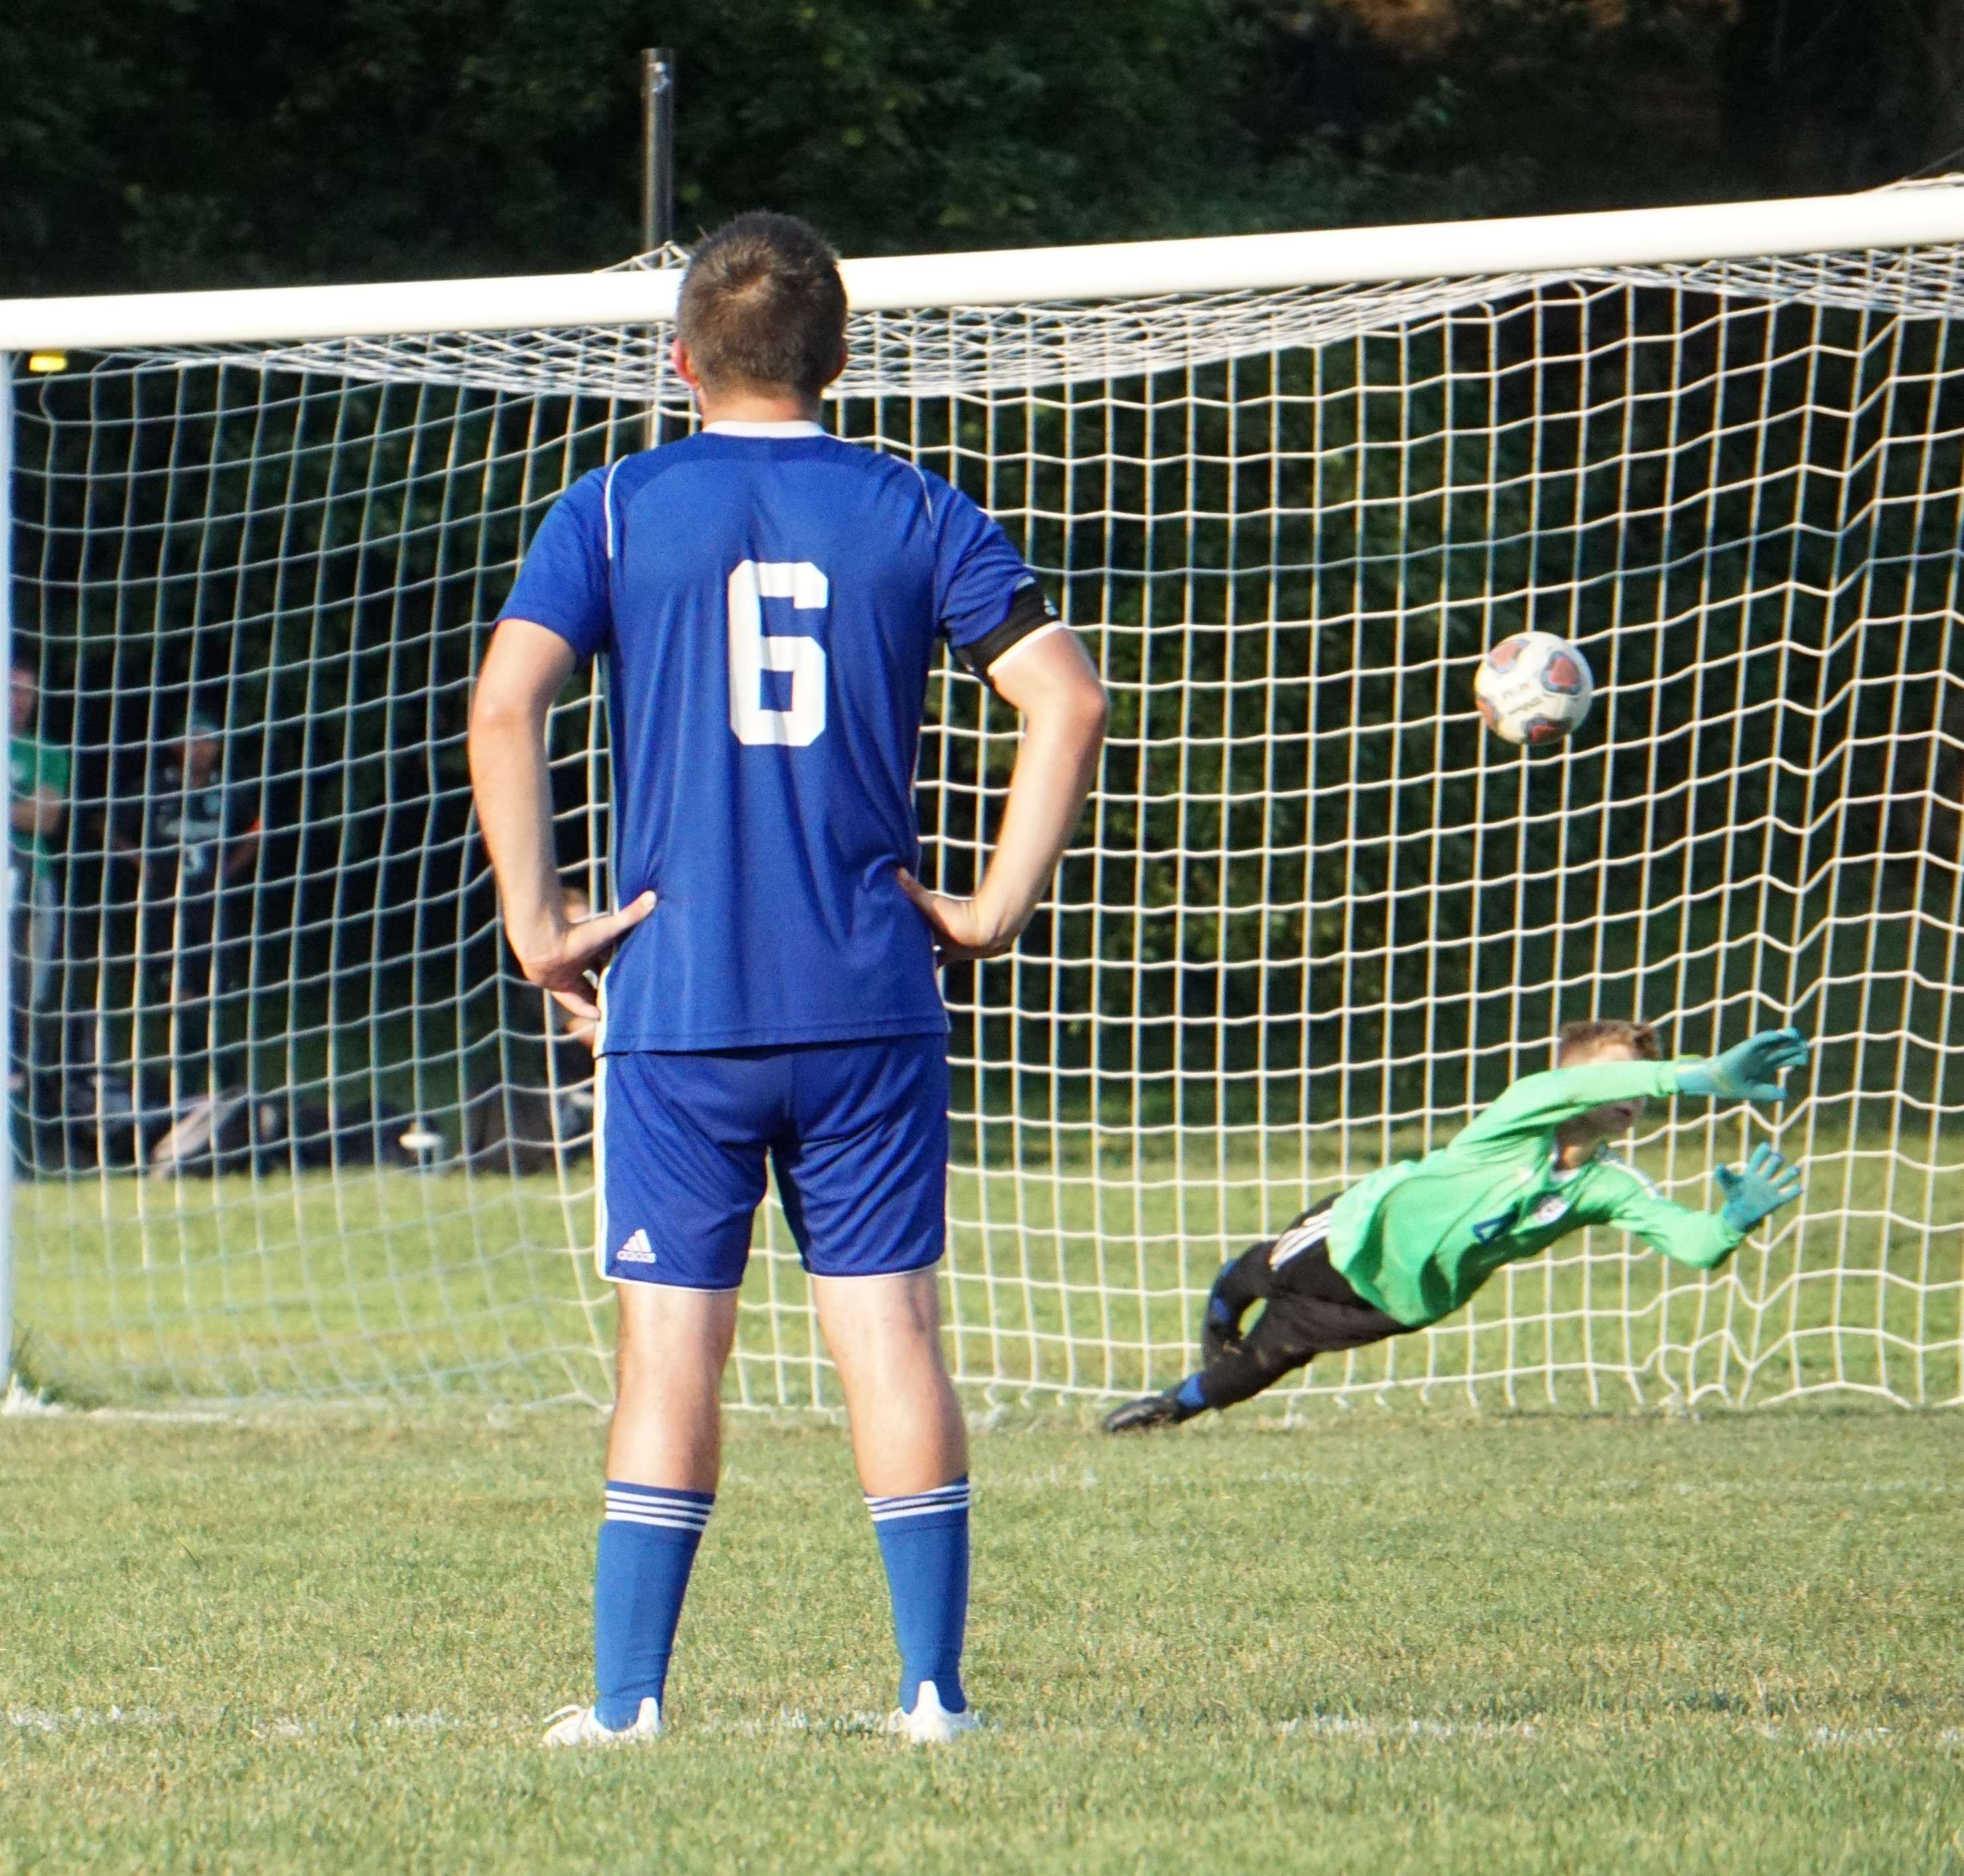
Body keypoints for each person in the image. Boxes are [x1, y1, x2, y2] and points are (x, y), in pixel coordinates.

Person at [469, 212, 1107, 1747]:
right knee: (886, 1329)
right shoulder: (910, 504)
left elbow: (506, 709)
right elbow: (1065, 696)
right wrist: (994, 901)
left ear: (676, 361)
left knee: (670, 1341)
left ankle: (626, 1704)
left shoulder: (616, 507)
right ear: (841, 357)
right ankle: (933, 1691)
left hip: (680, 1002)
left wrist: (540, 919)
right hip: (867, 988)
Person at [1103, 1021, 1811, 1431]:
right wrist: (1703, 1075)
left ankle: (1172, 1407)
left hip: (1401, 1300)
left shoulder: (1604, 1185)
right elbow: (1573, 1087)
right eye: (1617, 1077)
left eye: (1641, 1081)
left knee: (1262, 1365)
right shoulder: (1523, 1108)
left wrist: (1730, 1221)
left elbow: (1691, 1247)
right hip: (1356, 1231)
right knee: (1254, 1272)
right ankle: (1216, 1313)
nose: (1629, 1092)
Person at [113, 709, 261, 1107]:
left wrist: (229, 870)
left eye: (209, 741)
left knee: (215, 988)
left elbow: (257, 827)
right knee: (176, 990)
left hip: (211, 906)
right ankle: (187, 1078)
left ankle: (222, 1076)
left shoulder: (226, 789)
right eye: (193, 740)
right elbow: (109, 826)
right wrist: (146, 866)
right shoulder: (156, 787)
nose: (202, 749)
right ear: (176, 747)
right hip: (166, 905)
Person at [9, 654, 70, 1119]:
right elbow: (27, 812)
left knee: (30, 991)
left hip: (35, 879)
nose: (20, 700)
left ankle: (23, 1097)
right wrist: (18, 809)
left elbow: (45, 818)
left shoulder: (47, 752)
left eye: (27, 690)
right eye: (12, 688)